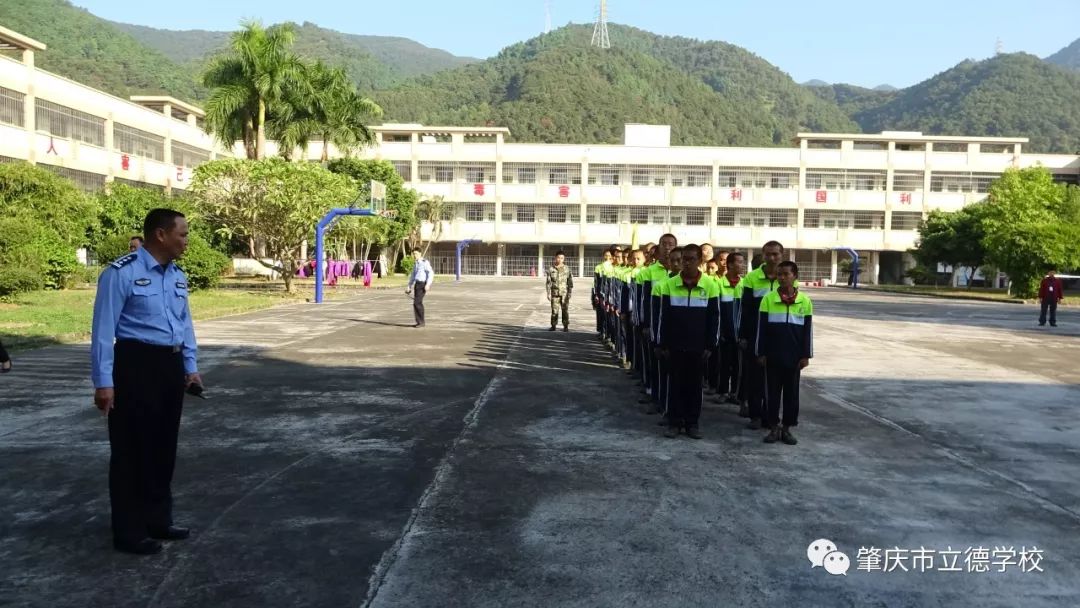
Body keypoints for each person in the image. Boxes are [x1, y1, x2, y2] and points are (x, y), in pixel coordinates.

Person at [90, 208, 202, 555]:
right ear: (160, 235)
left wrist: (190, 365)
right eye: (182, 234)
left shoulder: (177, 275)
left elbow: (185, 324)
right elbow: (102, 331)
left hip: (169, 365)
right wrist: (103, 382)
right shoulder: (120, 273)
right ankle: (129, 530)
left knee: (162, 448)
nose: (186, 240)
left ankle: (158, 519)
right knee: (130, 452)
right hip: (135, 365)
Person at [656, 244, 720, 439]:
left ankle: (692, 423)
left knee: (694, 386)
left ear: (700, 260)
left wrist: (710, 345)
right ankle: (674, 423)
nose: (687, 262)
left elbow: (714, 318)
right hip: (675, 345)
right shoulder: (669, 284)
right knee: (674, 385)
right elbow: (663, 318)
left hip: (698, 347)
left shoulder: (710, 285)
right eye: (684, 258)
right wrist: (662, 343)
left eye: (692, 259)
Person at [755, 261, 813, 445]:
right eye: (779, 274)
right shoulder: (768, 300)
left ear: (795, 276)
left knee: (791, 395)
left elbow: (807, 331)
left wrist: (806, 355)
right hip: (772, 356)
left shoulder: (805, 301)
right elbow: (761, 330)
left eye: (786, 274)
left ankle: (787, 428)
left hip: (794, 358)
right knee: (771, 394)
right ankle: (773, 427)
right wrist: (761, 352)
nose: (782, 277)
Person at [738, 241, 784, 430]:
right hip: (755, 335)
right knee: (755, 377)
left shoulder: (787, 276)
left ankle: (771, 416)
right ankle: (755, 415)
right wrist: (743, 335)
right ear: (763, 256)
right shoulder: (751, 278)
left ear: (782, 255)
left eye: (776, 254)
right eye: (768, 254)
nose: (772, 258)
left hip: (779, 337)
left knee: (775, 380)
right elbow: (745, 309)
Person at [405, 248, 434, 328]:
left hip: (422, 284)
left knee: (417, 302)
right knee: (416, 303)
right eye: (413, 254)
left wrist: (428, 284)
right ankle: (419, 322)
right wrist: (409, 286)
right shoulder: (416, 264)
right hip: (417, 285)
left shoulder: (424, 262)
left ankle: (421, 322)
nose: (414, 255)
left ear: (420, 254)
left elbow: (431, 273)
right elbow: (413, 276)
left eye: (416, 254)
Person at [546, 250, 574, 332]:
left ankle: (565, 326)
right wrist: (548, 293)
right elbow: (548, 282)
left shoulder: (567, 269)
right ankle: (553, 325)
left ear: (564, 259)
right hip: (554, 293)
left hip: (564, 294)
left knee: (565, 310)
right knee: (554, 311)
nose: (560, 259)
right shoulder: (551, 269)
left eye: (562, 258)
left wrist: (569, 293)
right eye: (558, 258)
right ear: (555, 258)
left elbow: (570, 282)